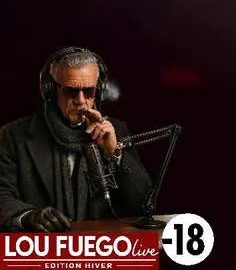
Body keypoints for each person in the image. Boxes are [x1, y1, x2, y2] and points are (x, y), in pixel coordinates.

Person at [0, 47, 153, 231]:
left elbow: (144, 203)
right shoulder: (13, 135)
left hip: (101, 245)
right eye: (70, 92)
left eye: (89, 91)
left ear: (99, 90)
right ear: (50, 90)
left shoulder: (116, 131)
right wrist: (27, 216)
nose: (81, 101)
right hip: (43, 246)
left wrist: (115, 153)